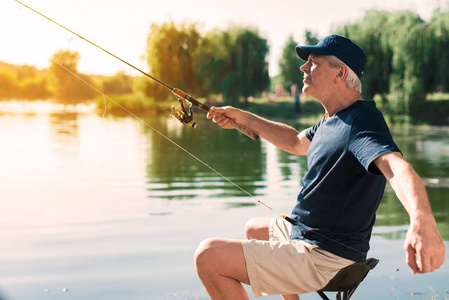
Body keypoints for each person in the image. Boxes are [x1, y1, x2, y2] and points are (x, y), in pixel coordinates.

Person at [194, 34, 445, 300]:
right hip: (309, 237)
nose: (304, 67)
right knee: (255, 228)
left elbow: (396, 167)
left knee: (208, 256)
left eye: (314, 62)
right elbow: (293, 141)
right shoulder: (333, 119)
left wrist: (421, 222)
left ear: (340, 73)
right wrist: (242, 117)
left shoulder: (361, 122)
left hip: (326, 255)